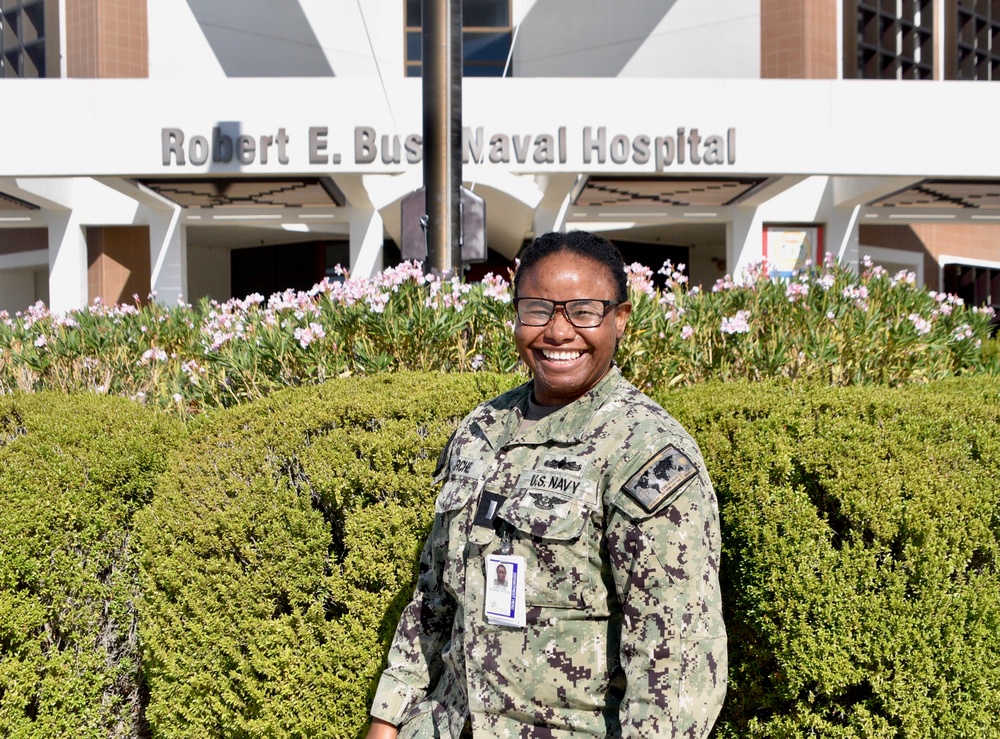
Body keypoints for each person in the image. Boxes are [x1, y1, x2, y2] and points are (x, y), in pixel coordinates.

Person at [367, 231, 727, 738]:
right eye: (538, 309)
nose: (558, 332)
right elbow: (433, 601)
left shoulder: (644, 451)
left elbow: (676, 662)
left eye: (583, 311)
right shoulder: (482, 429)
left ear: (619, 320)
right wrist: (387, 721)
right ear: (516, 315)